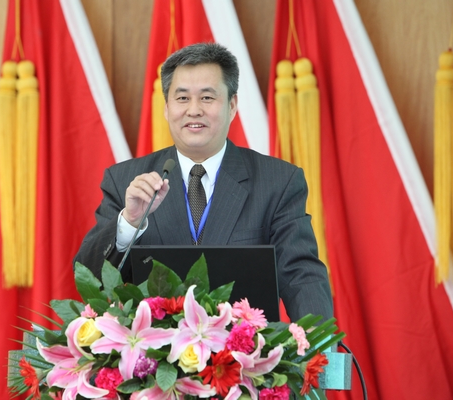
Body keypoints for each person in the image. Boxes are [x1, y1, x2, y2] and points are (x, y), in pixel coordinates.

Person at [74, 42, 333, 321]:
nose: (194, 110)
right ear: (166, 108)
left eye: (207, 98)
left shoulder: (278, 182)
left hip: (245, 346)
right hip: (153, 347)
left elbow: (301, 276)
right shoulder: (125, 181)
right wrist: (130, 223)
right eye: (182, 98)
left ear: (232, 106)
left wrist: (316, 343)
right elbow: (91, 281)